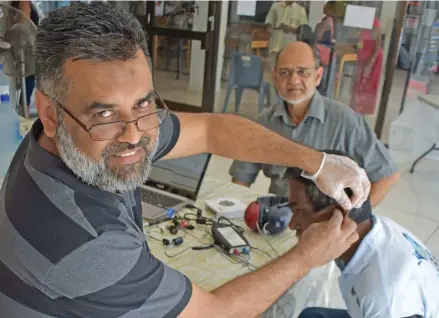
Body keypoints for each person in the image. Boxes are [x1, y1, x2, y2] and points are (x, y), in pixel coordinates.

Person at [0, 3, 368, 317]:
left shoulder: (61, 138)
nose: (134, 136)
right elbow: (216, 312)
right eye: (105, 114)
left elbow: (211, 130)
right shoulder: (85, 244)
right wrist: (305, 257)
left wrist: (316, 162)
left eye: (143, 103)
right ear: (49, 113)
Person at [230, 41, 399, 207]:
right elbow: (239, 181)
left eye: (303, 72)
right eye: (285, 72)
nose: (294, 80)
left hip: (326, 222)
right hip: (280, 218)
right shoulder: (263, 124)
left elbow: (387, 175)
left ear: (318, 76)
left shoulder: (346, 121)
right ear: (275, 78)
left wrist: (351, 222)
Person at [285, 151, 439, 318]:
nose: (292, 224)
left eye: (299, 212)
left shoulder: (383, 296)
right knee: (311, 315)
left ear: (339, 215)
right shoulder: (376, 229)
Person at [350, 16, 383, 115]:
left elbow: (377, 47)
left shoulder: (375, 25)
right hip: (363, 58)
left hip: (372, 60)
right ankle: (355, 106)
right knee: (358, 82)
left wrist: (370, 63)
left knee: (367, 84)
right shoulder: (362, 26)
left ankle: (363, 108)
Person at [265, 1, 308, 70]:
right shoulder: (276, 6)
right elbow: (269, 22)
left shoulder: (301, 10)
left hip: (289, 47)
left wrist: (290, 29)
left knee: (286, 71)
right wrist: (271, 29)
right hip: (274, 46)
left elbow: (304, 31)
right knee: (273, 71)